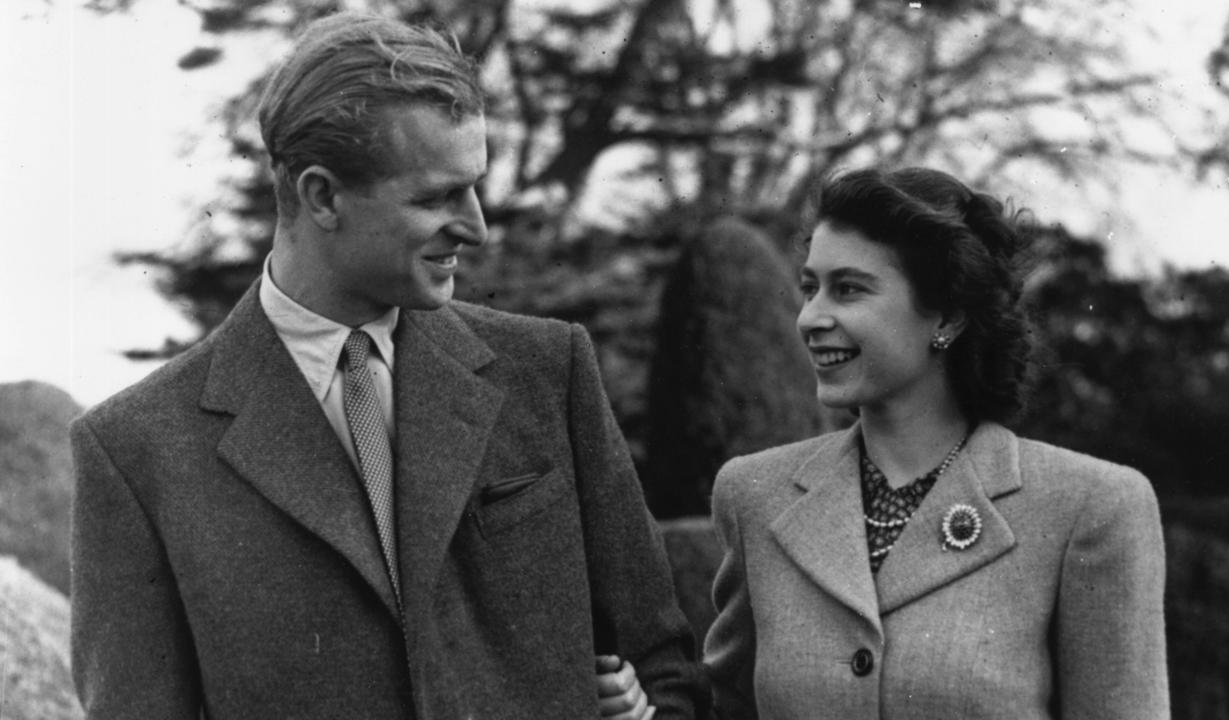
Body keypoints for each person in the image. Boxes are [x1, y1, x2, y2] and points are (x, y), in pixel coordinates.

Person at [69, 13, 704, 720]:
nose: (476, 226)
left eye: (474, 187)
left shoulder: (548, 372)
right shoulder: (136, 451)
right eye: (435, 197)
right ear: (321, 196)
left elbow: (668, 670)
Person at [700, 167, 1169, 718]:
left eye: (848, 289)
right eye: (809, 288)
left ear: (947, 313)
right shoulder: (755, 494)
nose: (809, 318)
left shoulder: (1092, 507)